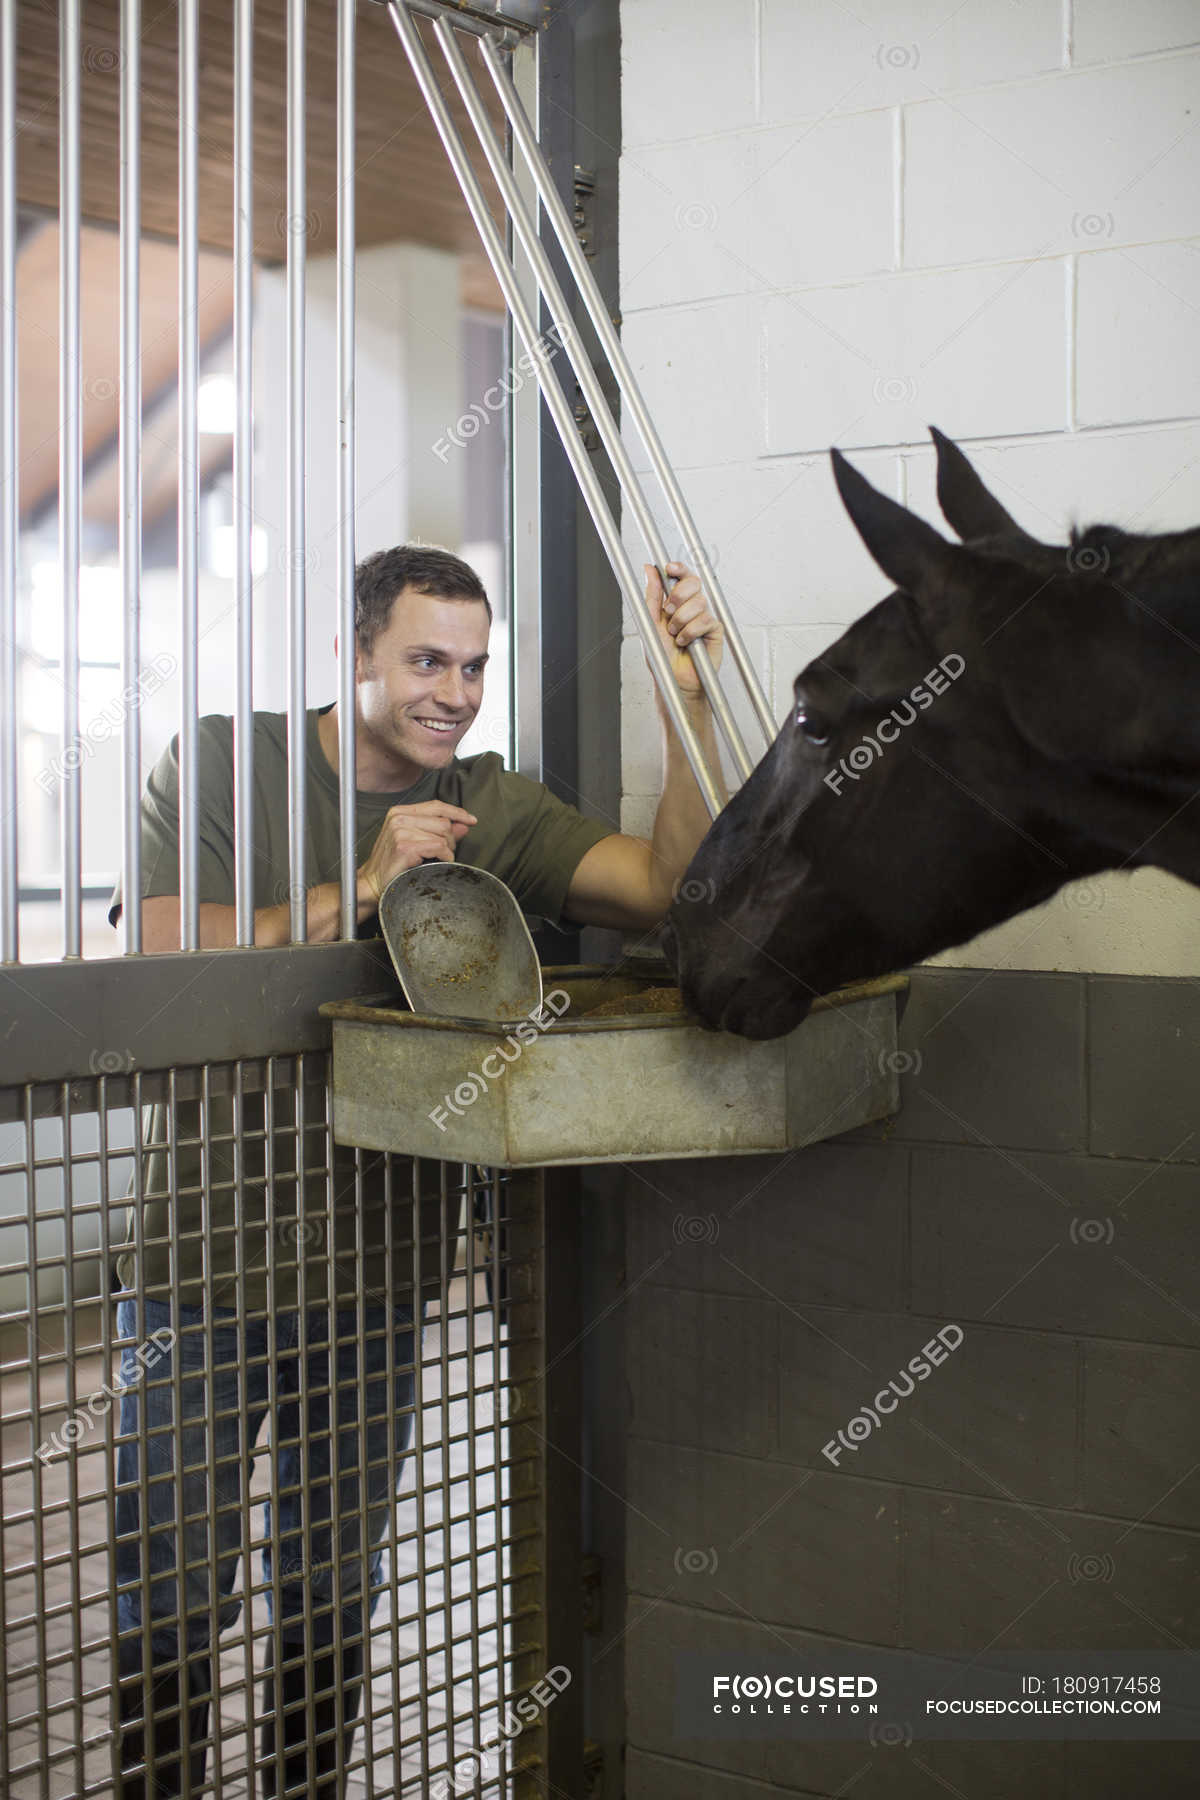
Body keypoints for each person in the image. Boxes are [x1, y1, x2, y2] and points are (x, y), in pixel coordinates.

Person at [108, 543, 727, 1797]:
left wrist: (682, 696)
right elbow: (168, 957)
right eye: (426, 660)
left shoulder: (494, 806)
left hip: (377, 1274)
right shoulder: (226, 760)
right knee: (169, 1592)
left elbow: (666, 889)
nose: (454, 692)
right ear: (355, 655)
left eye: (475, 665)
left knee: (332, 1592)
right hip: (199, 1269)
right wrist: (371, 885)